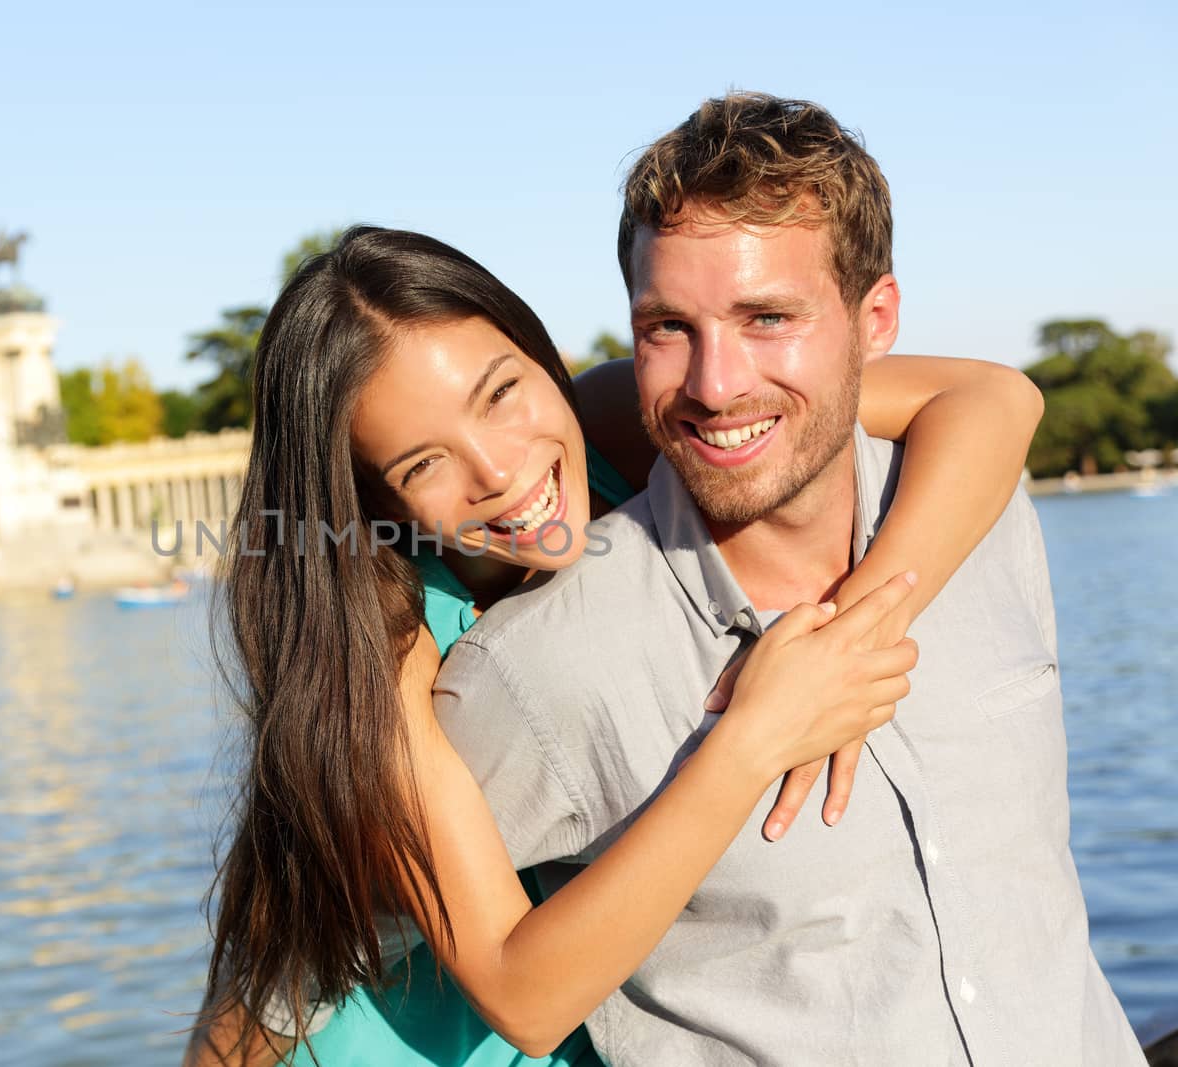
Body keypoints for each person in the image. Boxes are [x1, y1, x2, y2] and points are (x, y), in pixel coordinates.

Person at [187, 223, 1044, 1066]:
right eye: (422, 465)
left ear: (536, 351)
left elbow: (994, 399)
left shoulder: (604, 420)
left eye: (501, 392)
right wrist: (756, 735)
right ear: (374, 499)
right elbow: (515, 995)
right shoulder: (385, 651)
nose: (499, 470)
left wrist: (858, 628)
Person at [430, 94, 1145, 1063]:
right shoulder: (538, 669)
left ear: (875, 318)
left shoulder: (987, 520)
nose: (716, 384)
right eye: (667, 327)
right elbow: (316, 955)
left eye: (767, 316)